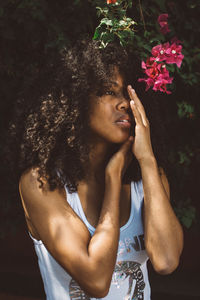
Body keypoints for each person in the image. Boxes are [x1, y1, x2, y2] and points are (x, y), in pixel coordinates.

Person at [11, 39, 183, 299]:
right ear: (77, 100)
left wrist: (147, 161)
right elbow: (96, 279)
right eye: (108, 91)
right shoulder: (43, 184)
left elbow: (166, 260)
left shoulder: (148, 180)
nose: (124, 103)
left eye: (129, 93)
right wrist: (112, 181)